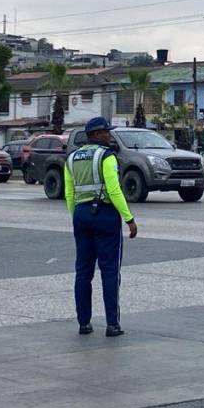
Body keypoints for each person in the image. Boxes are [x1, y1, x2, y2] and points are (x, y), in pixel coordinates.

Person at [64, 116, 137, 338]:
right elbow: (114, 190)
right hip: (105, 215)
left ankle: (84, 323)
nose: (109, 135)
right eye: (106, 132)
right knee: (110, 271)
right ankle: (112, 324)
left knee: (83, 272)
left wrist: (76, 217)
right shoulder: (106, 156)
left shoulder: (72, 158)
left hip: (81, 215)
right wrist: (129, 219)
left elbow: (70, 193)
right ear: (95, 135)